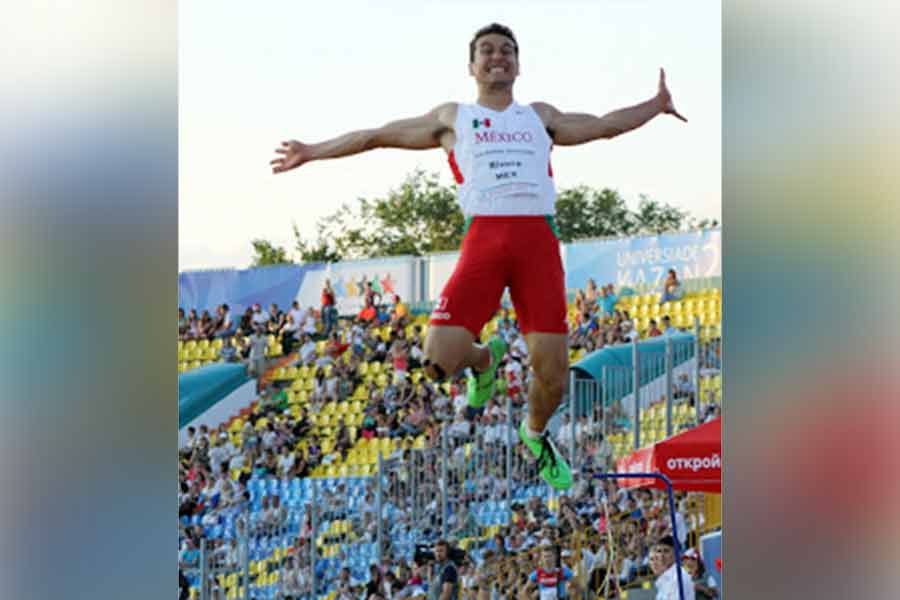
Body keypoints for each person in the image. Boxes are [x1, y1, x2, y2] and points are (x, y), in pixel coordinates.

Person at [270, 23, 686, 490]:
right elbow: (375, 136)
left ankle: (535, 434)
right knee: (436, 358)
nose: (498, 57)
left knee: (554, 377)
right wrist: (310, 151)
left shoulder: (539, 116)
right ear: (472, 66)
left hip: (537, 244)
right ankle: (485, 362)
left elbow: (606, 125)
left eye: (507, 50)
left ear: (518, 64)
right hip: (484, 240)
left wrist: (655, 105)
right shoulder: (453, 118)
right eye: (487, 51)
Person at [649, 536, 694, 600]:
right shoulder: (666, 578)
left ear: (677, 554)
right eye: (659, 551)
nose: (661, 556)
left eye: (666, 551)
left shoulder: (678, 577)